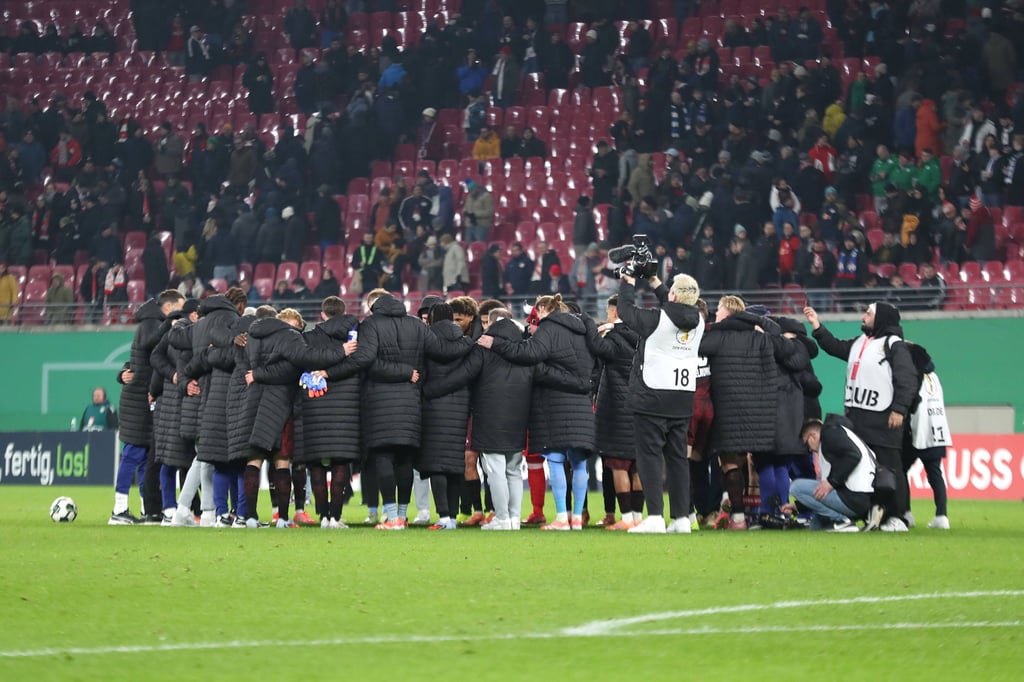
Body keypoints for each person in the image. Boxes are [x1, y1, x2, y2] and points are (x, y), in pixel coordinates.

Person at [345, 289, 473, 529]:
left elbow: (367, 360)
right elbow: (442, 351)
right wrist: (469, 342)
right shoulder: (416, 325)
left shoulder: (370, 324)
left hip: (381, 403)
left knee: (384, 456)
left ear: (376, 307)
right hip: (412, 403)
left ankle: (392, 517)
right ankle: (402, 515)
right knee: (404, 458)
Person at [478, 293, 595, 530]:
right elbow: (596, 362)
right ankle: (577, 519)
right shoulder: (584, 329)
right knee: (579, 461)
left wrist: (497, 343)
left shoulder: (548, 328)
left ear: (543, 309)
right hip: (582, 404)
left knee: (555, 458)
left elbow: (530, 355)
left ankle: (562, 518)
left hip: (555, 402)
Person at [804, 301, 918, 532]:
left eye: (868, 313)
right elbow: (835, 347)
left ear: (882, 318)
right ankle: (875, 514)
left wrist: (899, 409)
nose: (863, 316)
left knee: (890, 467)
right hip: (857, 418)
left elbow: (907, 379)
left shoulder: (894, 345)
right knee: (868, 471)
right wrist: (817, 326)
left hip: (884, 418)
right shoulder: (860, 343)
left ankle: (898, 517)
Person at [242, 306, 354, 528]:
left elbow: (251, 367)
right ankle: (283, 518)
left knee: (253, 460)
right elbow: (305, 359)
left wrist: (257, 375)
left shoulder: (252, 336)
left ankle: (251, 517)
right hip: (280, 403)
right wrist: (341, 351)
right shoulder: (288, 337)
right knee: (282, 461)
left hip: (253, 402)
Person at [613, 273, 703, 534]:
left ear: (673, 295)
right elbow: (676, 307)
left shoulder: (656, 319)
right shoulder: (699, 320)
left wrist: (628, 281)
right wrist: (654, 281)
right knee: (677, 460)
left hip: (652, 395)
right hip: (682, 397)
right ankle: (681, 518)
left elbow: (625, 310)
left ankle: (654, 516)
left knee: (649, 457)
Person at [699, 295, 781, 530]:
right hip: (756, 412)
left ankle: (738, 518)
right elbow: (775, 331)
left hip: (727, 410)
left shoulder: (717, 337)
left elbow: (697, 347)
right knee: (750, 463)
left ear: (726, 314)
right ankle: (759, 514)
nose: (715, 314)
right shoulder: (759, 338)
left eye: (719, 311)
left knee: (729, 464)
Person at [109, 290, 185, 525]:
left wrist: (123, 373)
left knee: (144, 457)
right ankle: (119, 509)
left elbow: (140, 358)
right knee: (132, 454)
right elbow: (150, 343)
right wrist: (169, 326)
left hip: (143, 396)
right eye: (179, 308)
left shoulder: (152, 321)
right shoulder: (152, 322)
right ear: (169, 307)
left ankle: (147, 509)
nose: (180, 313)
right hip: (137, 400)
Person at [583, 295, 644, 530]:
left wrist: (595, 327)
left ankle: (626, 518)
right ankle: (638, 517)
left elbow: (595, 347)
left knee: (619, 465)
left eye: (608, 313)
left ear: (614, 314)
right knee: (638, 465)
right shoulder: (643, 337)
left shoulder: (614, 338)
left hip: (617, 411)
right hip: (641, 407)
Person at [791, 416, 877, 531]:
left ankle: (842, 521)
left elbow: (853, 456)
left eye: (807, 444)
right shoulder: (841, 434)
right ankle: (844, 521)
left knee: (796, 487)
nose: (809, 450)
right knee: (816, 527)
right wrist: (798, 507)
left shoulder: (830, 435)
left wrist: (831, 482)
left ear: (813, 436)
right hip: (864, 499)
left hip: (854, 499)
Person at [901, 342, 952, 530]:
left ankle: (906, 513)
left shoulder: (913, 376)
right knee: (935, 474)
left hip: (917, 430)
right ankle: (942, 515)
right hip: (937, 428)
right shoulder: (933, 376)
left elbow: (911, 402)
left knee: (900, 470)